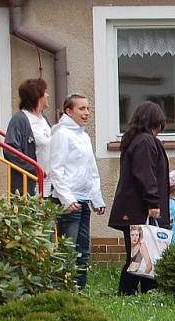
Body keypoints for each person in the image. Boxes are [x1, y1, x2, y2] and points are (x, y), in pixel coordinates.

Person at [108, 101, 169, 295]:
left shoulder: (136, 140)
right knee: (139, 256)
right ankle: (127, 294)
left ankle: (145, 292)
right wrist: (153, 202)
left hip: (133, 211)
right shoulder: (145, 141)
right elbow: (146, 174)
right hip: (139, 211)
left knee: (143, 254)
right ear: (156, 122)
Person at [49, 94, 105, 290]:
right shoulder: (61, 134)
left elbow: (91, 171)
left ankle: (79, 291)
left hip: (83, 200)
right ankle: (64, 291)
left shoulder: (84, 136)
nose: (86, 113)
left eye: (87, 109)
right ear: (68, 111)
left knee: (84, 250)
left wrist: (97, 199)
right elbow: (56, 170)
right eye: (81, 109)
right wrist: (67, 199)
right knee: (68, 250)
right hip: (68, 202)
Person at [4, 78, 51, 196]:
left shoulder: (44, 119)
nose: (48, 95)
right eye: (45, 92)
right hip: (29, 186)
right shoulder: (20, 119)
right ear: (37, 96)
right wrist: (34, 169)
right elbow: (10, 150)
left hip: (48, 186)